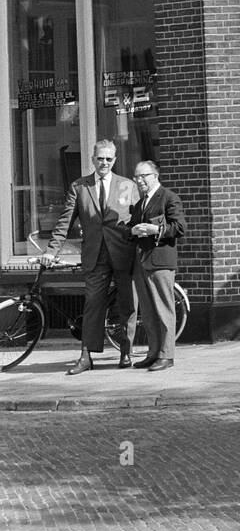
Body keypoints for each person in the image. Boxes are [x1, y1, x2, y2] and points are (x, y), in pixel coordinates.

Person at [44, 138, 137, 374]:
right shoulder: (79, 187)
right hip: (95, 255)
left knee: (127, 304)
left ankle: (126, 351)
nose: (104, 162)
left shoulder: (127, 185)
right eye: (100, 158)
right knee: (93, 305)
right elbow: (64, 222)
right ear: (92, 159)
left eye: (109, 158)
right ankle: (86, 356)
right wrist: (51, 251)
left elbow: (140, 218)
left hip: (124, 254)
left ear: (114, 160)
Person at [129, 162, 186, 372]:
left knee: (164, 309)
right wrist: (133, 230)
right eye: (136, 177)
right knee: (149, 311)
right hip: (143, 262)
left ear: (155, 175)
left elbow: (179, 227)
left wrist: (155, 229)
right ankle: (153, 353)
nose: (139, 181)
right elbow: (130, 228)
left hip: (161, 262)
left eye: (144, 176)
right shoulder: (141, 203)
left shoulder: (168, 197)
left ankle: (166, 355)